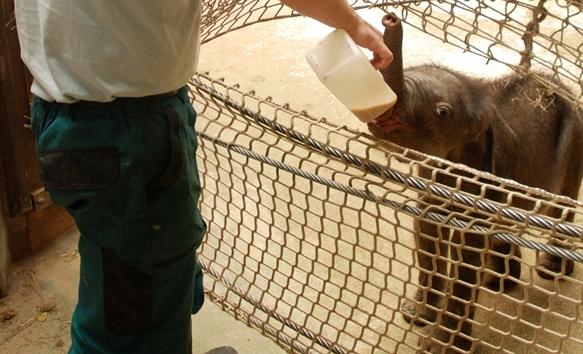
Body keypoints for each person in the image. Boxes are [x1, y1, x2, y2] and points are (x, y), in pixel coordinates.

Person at [13, 1, 392, 353]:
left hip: (62, 110)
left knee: (126, 268)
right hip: (127, 130)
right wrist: (354, 22)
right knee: (133, 308)